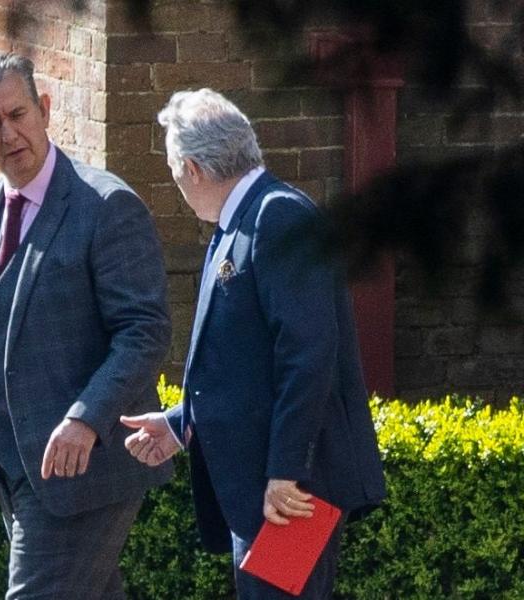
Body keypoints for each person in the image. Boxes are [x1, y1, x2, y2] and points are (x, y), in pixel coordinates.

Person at [120, 88, 386, 599]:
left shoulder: (279, 216)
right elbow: (245, 368)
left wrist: (286, 472)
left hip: (292, 493)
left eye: (173, 169)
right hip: (265, 490)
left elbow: (308, 357)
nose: (175, 181)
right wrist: (183, 423)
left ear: (191, 168)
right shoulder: (238, 223)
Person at [0, 52, 173, 599]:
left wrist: (85, 418)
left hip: (84, 471)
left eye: (19, 114)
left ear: (45, 110)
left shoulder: (106, 207)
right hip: (11, 465)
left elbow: (144, 330)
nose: (10, 133)